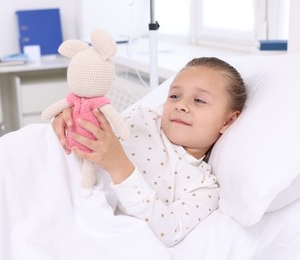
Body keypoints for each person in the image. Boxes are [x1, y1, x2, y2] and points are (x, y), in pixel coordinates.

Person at [51, 57, 247, 246]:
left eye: (199, 100)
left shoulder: (202, 186)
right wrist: (71, 122)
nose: (181, 105)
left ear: (228, 121)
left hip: (80, 214)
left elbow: (169, 231)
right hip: (58, 173)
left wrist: (120, 168)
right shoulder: (142, 118)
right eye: (175, 96)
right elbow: (94, 131)